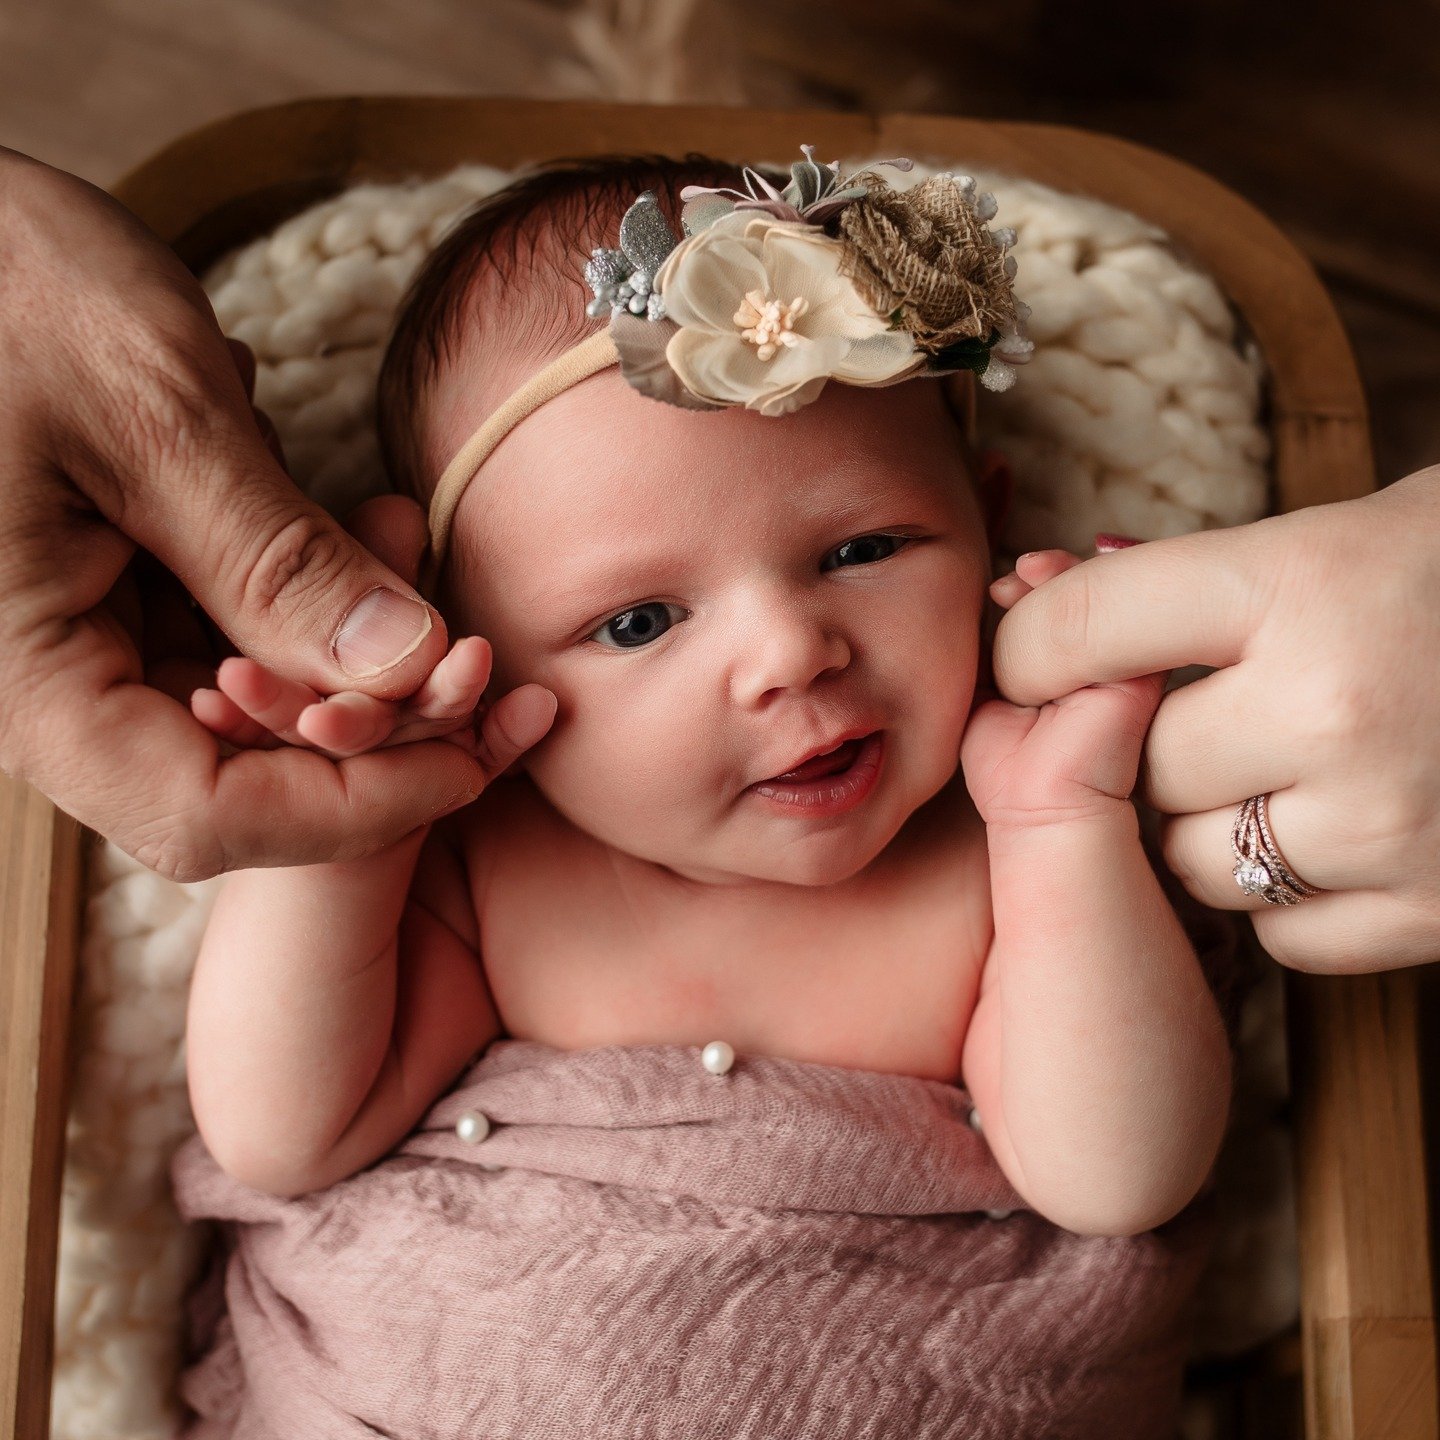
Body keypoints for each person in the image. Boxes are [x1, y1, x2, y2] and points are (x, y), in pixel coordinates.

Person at [164, 153, 1237, 1437]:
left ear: (989, 529)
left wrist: (1066, 823)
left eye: (862, 550)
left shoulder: (1010, 859)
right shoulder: (479, 860)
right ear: (473, 648)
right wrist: (339, 839)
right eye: (638, 622)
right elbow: (284, 1137)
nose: (791, 654)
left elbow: (1119, 1180)